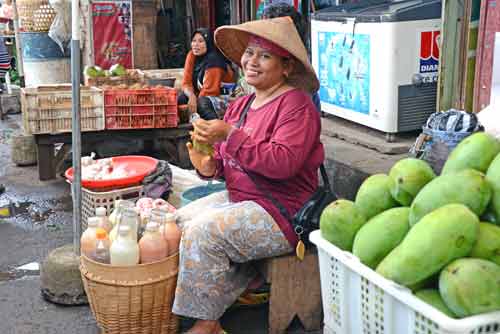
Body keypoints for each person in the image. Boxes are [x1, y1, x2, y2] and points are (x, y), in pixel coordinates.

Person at [172, 17, 324, 334]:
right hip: (244, 200)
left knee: (203, 232)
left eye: (265, 56)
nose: (252, 62)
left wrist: (229, 135)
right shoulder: (241, 105)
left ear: (286, 67)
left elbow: (283, 163)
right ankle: (240, 287)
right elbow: (230, 167)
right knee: (177, 222)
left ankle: (208, 322)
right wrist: (207, 164)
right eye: (250, 53)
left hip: (285, 212)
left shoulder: (296, 105)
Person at [178, 28, 236, 121]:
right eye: (193, 41)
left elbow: (210, 91)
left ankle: (215, 127)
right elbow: (186, 83)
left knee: (202, 103)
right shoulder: (192, 55)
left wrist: (194, 103)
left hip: (224, 99)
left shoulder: (214, 61)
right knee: (182, 98)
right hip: (204, 96)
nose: (196, 45)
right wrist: (191, 96)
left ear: (208, 43)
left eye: (201, 41)